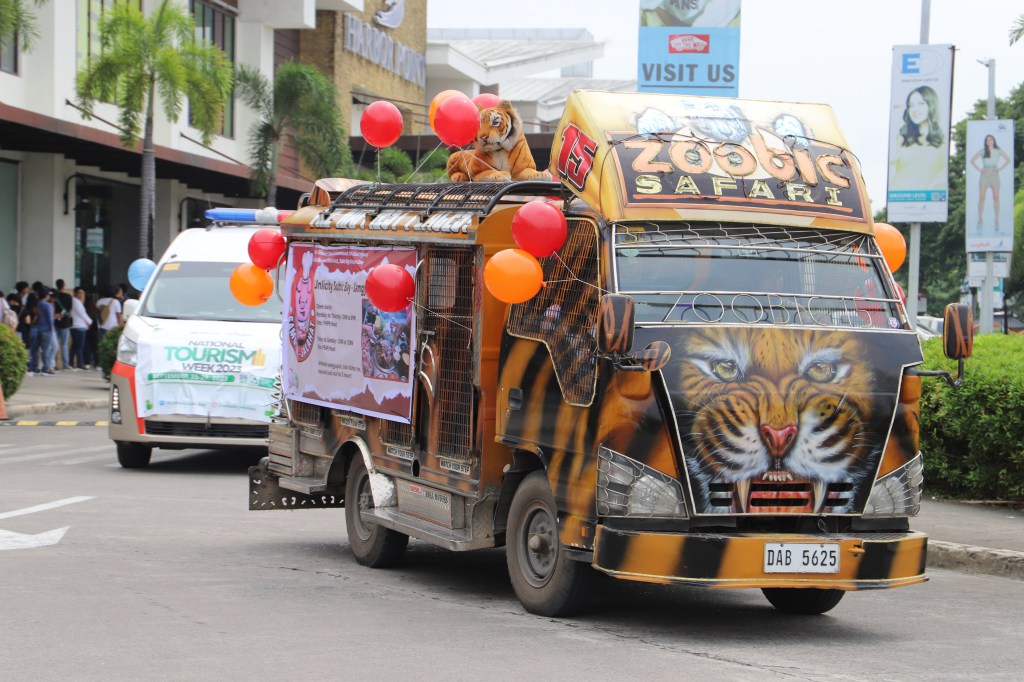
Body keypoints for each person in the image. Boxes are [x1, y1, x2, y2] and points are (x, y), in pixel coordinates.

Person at [888, 85, 946, 191]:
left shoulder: (942, 142)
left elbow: (943, 174)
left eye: (921, 103)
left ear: (931, 105)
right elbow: (891, 168)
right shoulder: (901, 139)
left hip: (929, 197)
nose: (915, 109)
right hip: (899, 195)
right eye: (911, 105)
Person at [970, 134, 1012, 231]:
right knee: (982, 198)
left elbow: (1008, 160)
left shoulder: (998, 150)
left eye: (991, 139)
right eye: (987, 140)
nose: (989, 141)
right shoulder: (983, 151)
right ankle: (980, 219)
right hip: (985, 175)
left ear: (994, 141)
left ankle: (996, 220)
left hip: (994, 174)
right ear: (986, 142)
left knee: (996, 198)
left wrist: (1000, 168)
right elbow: (972, 160)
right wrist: (980, 169)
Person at [28, 291, 55, 376]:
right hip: (46, 330)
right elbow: (50, 318)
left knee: (34, 349)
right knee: (45, 350)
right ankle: (45, 368)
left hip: (36, 330)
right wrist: (51, 329)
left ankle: (34, 367)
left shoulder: (36, 304)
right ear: (46, 296)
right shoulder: (48, 305)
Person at [53, 278, 74, 370]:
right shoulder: (68, 296)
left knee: (54, 344)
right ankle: (65, 364)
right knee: (64, 344)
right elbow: (70, 309)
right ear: (64, 285)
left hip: (55, 321)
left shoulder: (54, 296)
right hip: (65, 322)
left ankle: (54, 364)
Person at [70, 287, 93, 370]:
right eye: (80, 293)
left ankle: (71, 363)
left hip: (76, 326)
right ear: (76, 293)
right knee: (79, 346)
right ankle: (79, 363)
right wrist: (90, 322)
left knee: (75, 346)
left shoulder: (75, 302)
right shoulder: (76, 302)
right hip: (79, 327)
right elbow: (83, 314)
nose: (82, 295)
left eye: (83, 293)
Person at [84, 292, 100, 369]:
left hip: (87, 329)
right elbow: (99, 320)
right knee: (95, 347)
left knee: (87, 346)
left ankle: (86, 362)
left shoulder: (84, 308)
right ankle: (97, 363)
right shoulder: (95, 308)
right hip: (94, 329)